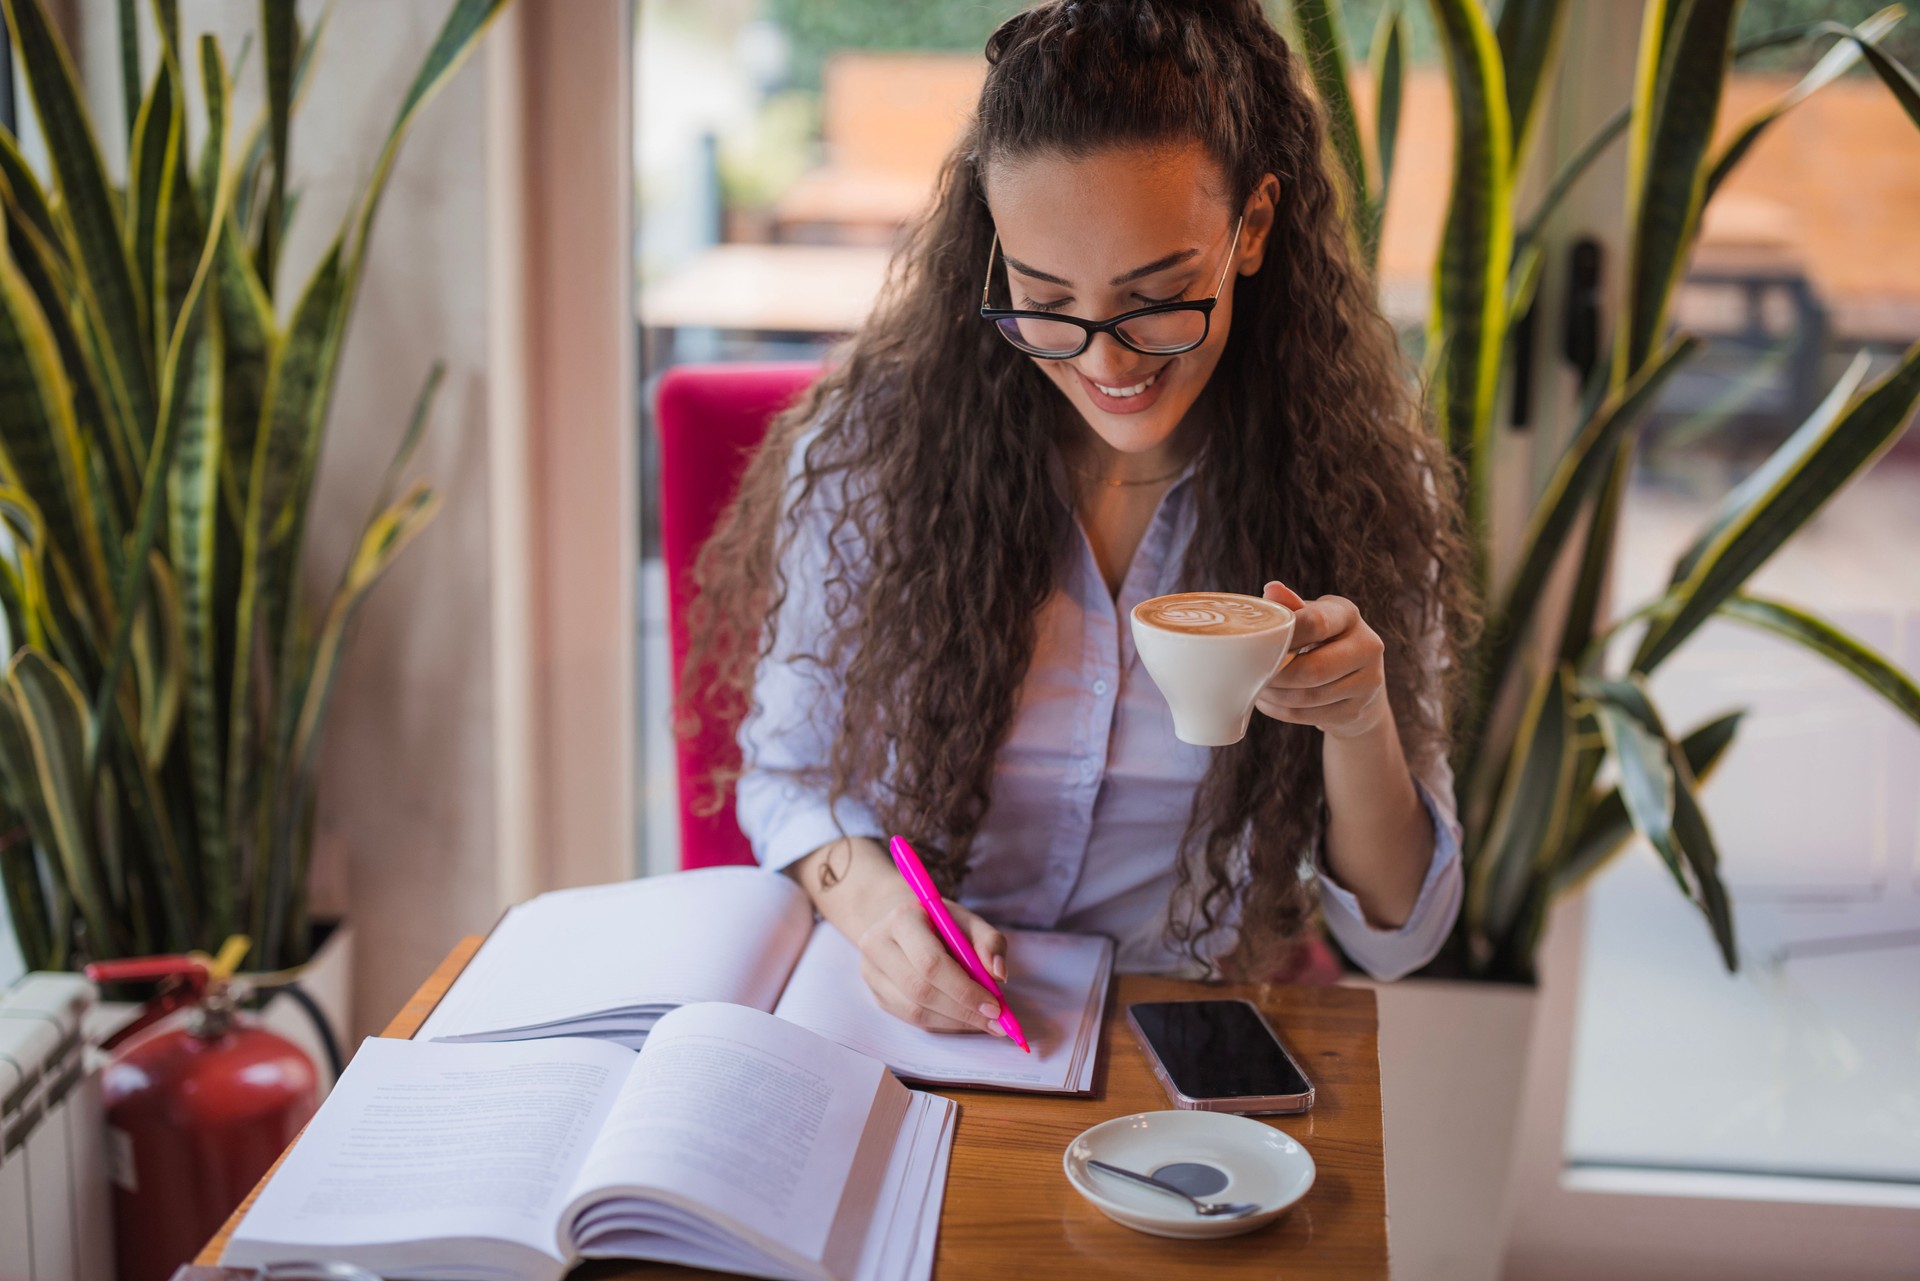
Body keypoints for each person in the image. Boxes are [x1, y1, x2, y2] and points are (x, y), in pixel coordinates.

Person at [683, 0, 1477, 1037]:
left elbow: (1397, 934)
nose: (1106, 363)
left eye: (1160, 295)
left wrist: (1360, 718)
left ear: (1253, 228)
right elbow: (786, 773)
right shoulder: (876, 448)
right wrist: (880, 914)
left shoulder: (1353, 487)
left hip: (1177, 1036)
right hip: (913, 1029)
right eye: (1046, 299)